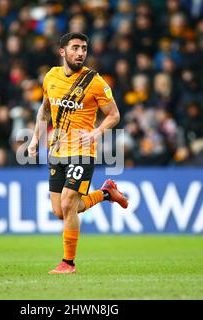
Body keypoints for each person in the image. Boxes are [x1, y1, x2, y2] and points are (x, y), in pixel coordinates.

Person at [27, 32, 129, 275]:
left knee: (68, 201)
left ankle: (68, 263)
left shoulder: (95, 82)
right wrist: (34, 140)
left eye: (84, 48)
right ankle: (106, 193)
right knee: (61, 211)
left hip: (83, 151)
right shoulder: (51, 76)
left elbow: (114, 115)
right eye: (75, 48)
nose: (80, 52)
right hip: (57, 151)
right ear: (62, 51)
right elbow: (44, 111)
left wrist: (96, 133)